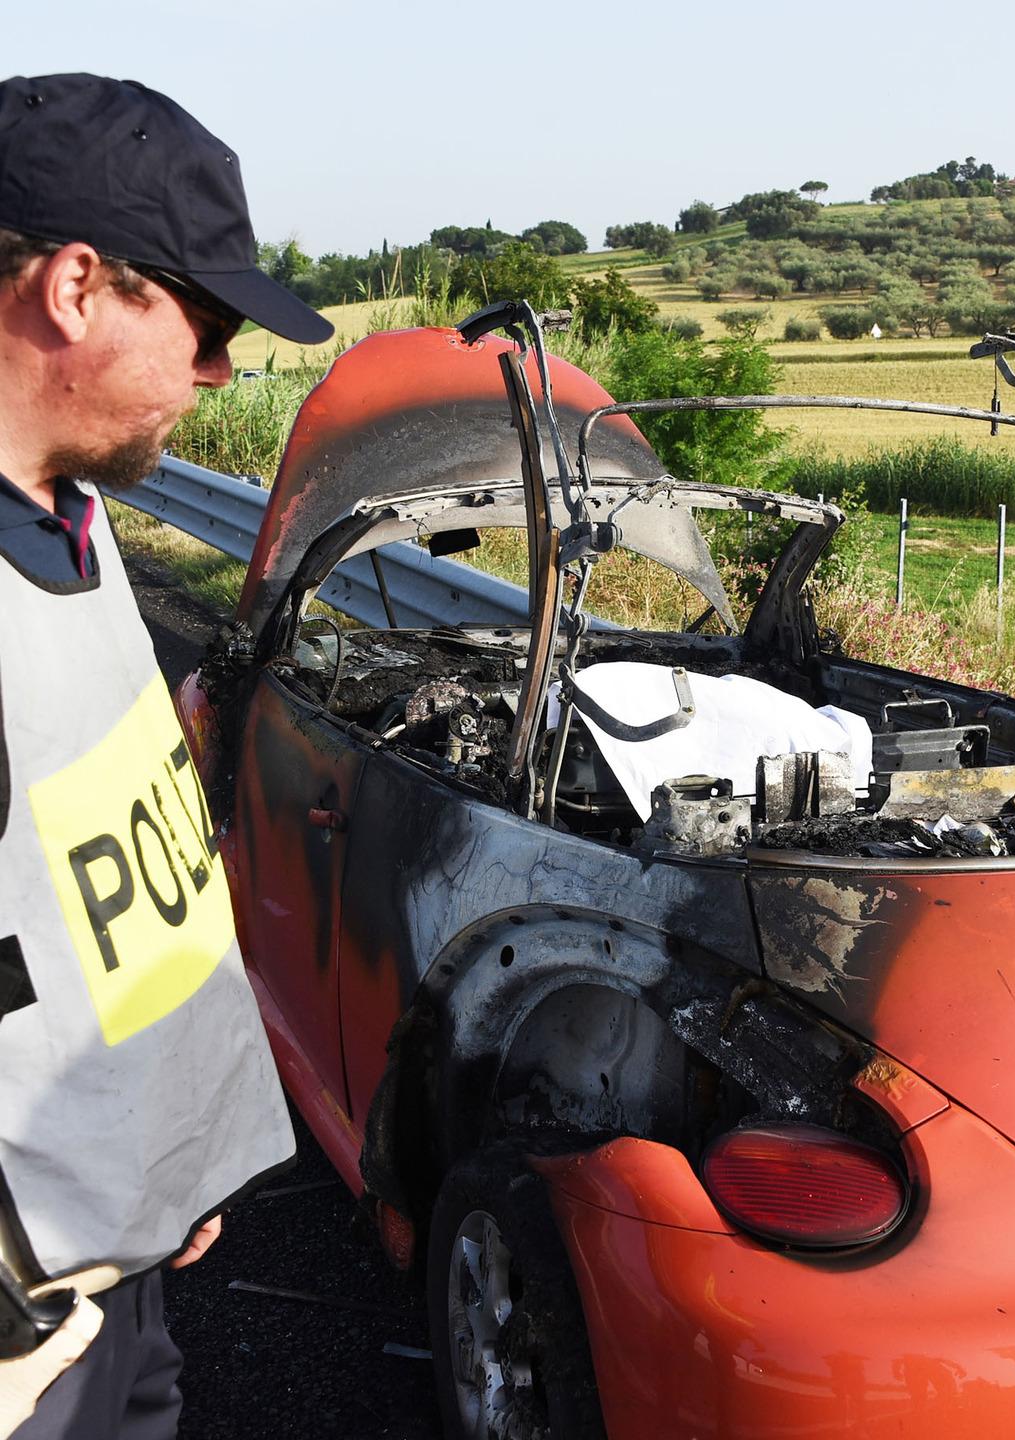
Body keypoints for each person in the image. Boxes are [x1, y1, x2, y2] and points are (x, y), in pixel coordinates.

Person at [0, 73, 335, 1438]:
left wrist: (169, 1150)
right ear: (76, 287)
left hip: (115, 1257)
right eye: (202, 323)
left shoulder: (64, 519)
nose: (217, 371)